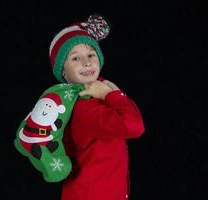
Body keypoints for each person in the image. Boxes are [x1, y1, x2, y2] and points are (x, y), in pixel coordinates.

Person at [48, 14, 145, 199]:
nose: (86, 62)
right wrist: (112, 95)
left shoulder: (96, 91)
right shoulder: (85, 104)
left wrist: (108, 93)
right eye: (75, 58)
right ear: (63, 72)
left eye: (91, 54)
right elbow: (134, 126)